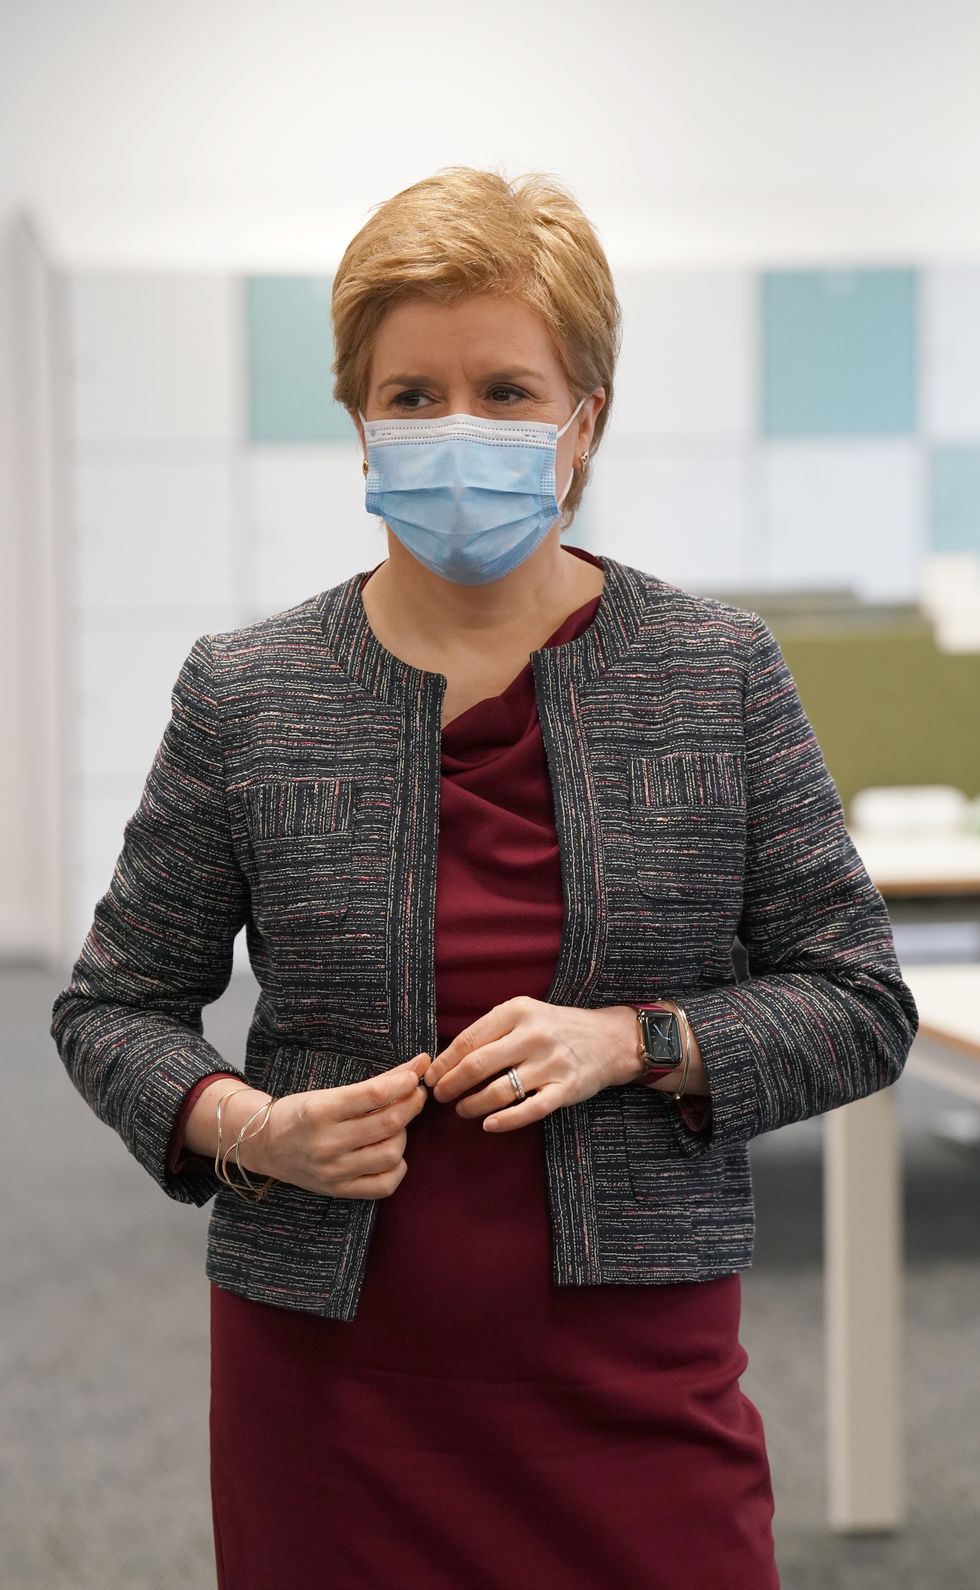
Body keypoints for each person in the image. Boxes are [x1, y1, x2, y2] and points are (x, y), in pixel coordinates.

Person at [50, 166, 919, 1590]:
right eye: (414, 394)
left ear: (587, 421)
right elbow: (114, 1008)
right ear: (358, 420)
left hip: (633, 1381)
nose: (460, 428)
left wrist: (642, 1037)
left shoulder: (715, 671)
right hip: (327, 1383)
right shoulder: (248, 692)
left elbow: (858, 997)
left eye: (509, 391)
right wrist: (247, 1125)